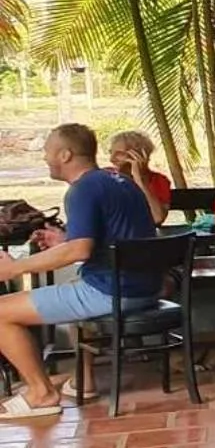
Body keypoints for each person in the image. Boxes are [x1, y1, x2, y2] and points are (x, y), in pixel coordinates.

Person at [0, 125, 159, 419]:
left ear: (65, 154)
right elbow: (110, 241)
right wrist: (63, 241)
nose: (45, 158)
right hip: (146, 289)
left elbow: (79, 252)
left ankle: (41, 393)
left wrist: (14, 268)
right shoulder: (121, 181)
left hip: (112, 292)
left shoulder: (82, 189)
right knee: (77, 281)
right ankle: (84, 382)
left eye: (48, 151)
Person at [107, 130, 171, 226]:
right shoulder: (106, 177)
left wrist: (140, 179)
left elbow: (157, 218)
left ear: (138, 156)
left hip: (143, 238)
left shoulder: (159, 181)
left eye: (119, 153)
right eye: (111, 153)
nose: (111, 159)